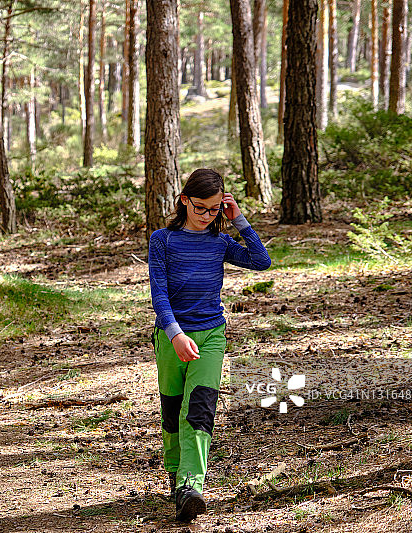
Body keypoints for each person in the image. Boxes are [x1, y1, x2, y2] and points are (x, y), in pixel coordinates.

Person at [148, 168, 271, 523]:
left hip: (211, 335)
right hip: (172, 336)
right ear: (184, 200)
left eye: (214, 209)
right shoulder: (163, 240)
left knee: (199, 409)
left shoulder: (220, 242)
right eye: (200, 207)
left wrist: (239, 221)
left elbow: (260, 261)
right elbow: (159, 296)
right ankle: (176, 475)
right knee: (173, 410)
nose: (205, 216)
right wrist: (175, 334)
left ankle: (191, 486)